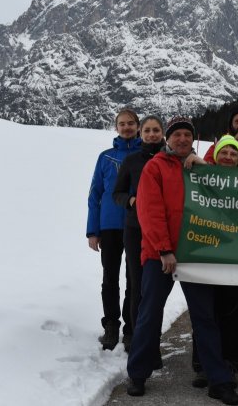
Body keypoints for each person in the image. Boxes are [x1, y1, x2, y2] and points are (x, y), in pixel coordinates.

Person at [125, 117, 238, 405]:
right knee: (149, 313)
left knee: (204, 317)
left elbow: (222, 204)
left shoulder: (200, 168)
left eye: (186, 135)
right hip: (160, 255)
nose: (182, 139)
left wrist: (205, 169)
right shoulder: (155, 167)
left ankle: (218, 380)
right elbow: (149, 211)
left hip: (194, 254)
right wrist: (164, 249)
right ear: (168, 139)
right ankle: (137, 374)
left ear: (193, 139)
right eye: (176, 135)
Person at [189, 135, 238, 389]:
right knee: (206, 313)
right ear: (215, 155)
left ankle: (229, 363)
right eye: (224, 152)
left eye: (233, 153)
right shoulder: (202, 175)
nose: (228, 157)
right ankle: (203, 366)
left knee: (232, 314)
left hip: (236, 257)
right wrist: (196, 162)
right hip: (206, 254)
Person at [87, 108, 142, 350]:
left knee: (134, 279)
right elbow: (95, 194)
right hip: (109, 226)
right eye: (122, 123)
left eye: (131, 123)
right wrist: (93, 231)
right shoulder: (105, 157)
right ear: (116, 127)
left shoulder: (146, 155)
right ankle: (111, 325)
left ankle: (131, 328)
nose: (127, 127)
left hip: (138, 225)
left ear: (138, 126)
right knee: (110, 277)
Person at [112, 115, 164, 355]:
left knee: (156, 289)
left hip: (164, 230)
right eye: (147, 131)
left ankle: (152, 342)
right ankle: (136, 340)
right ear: (141, 134)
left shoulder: (172, 158)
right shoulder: (132, 161)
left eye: (156, 130)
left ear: (162, 133)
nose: (152, 135)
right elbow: (117, 193)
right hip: (136, 229)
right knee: (137, 285)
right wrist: (131, 200)